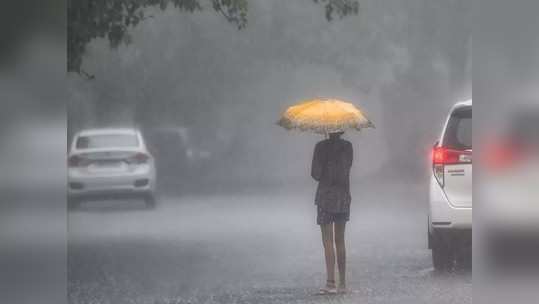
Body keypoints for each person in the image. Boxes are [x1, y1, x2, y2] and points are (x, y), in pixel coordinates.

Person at [311, 131, 353, 295]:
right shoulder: (348, 147)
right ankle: (342, 283)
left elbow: (315, 174)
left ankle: (330, 283)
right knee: (340, 240)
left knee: (327, 240)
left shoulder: (320, 147)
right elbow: (346, 168)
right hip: (343, 197)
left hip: (325, 198)